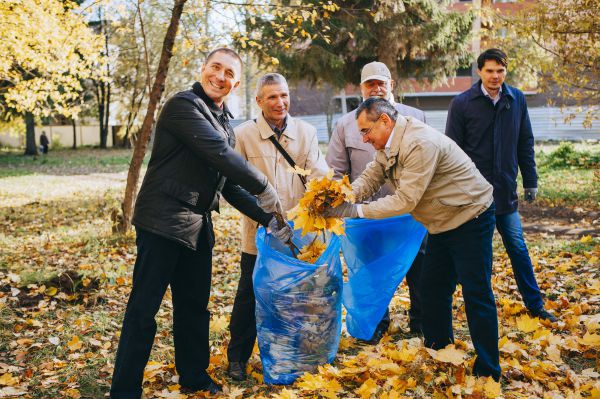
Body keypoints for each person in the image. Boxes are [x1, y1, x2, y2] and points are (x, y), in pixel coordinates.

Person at [109, 48, 292, 399]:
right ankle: (124, 391)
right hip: (162, 223)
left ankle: (193, 376)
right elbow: (219, 155)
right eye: (215, 68)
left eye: (229, 74)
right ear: (203, 69)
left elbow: (229, 183)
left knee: (194, 307)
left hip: (197, 228)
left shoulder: (224, 121)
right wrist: (265, 186)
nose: (220, 77)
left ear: (236, 83)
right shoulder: (184, 106)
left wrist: (269, 219)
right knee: (143, 310)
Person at [324, 97, 501, 381]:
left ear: (384, 121)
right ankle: (439, 353)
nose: (364, 138)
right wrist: (345, 197)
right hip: (441, 221)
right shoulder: (388, 142)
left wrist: (356, 210)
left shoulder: (419, 143)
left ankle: (489, 370)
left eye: (366, 131)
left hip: (471, 217)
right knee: (432, 290)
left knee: (476, 293)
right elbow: (371, 177)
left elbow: (405, 200)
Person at [227, 73, 329, 381]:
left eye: (283, 95)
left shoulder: (306, 132)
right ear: (258, 101)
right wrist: (264, 218)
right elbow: (232, 183)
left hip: (300, 235)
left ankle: (296, 353)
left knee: (299, 296)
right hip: (259, 235)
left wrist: (325, 195)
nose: (279, 102)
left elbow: (317, 174)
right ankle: (237, 359)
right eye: (272, 96)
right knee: (249, 294)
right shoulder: (243, 135)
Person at [445, 48, 557, 322]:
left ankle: (535, 305)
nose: (495, 76)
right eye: (490, 71)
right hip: (472, 197)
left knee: (518, 250)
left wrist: (530, 180)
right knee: (475, 256)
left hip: (505, 194)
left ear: (506, 72)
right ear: (480, 71)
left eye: (500, 71)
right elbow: (451, 150)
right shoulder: (462, 103)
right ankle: (469, 308)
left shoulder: (515, 99)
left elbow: (524, 141)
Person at [326, 61, 427, 342]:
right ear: (361, 88)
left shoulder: (414, 117)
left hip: (412, 215)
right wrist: (339, 203)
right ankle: (376, 325)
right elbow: (336, 172)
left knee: (419, 270)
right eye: (371, 84)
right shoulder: (346, 124)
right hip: (367, 219)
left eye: (382, 82)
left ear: (391, 85)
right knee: (369, 273)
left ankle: (421, 321)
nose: (377, 88)